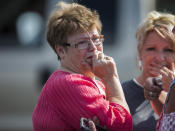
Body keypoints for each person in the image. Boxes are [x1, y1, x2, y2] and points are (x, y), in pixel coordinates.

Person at [32, 1, 132, 131]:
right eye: (82, 43)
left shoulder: (94, 83)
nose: (93, 48)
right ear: (61, 51)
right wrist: (110, 77)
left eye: (96, 39)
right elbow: (123, 125)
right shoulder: (68, 82)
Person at [122, 11, 175, 131]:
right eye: (151, 49)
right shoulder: (121, 93)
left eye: (169, 50)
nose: (160, 58)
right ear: (139, 52)